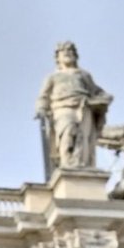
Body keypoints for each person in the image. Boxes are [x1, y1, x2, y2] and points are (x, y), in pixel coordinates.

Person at [35, 41, 112, 172]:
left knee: (83, 137)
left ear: (75, 56)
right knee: (67, 131)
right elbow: (43, 95)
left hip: (84, 107)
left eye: (71, 51)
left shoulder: (83, 75)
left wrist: (105, 98)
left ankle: (81, 165)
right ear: (57, 58)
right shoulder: (53, 77)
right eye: (64, 52)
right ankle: (67, 163)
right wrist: (41, 108)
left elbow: (97, 91)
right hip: (62, 108)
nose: (68, 53)